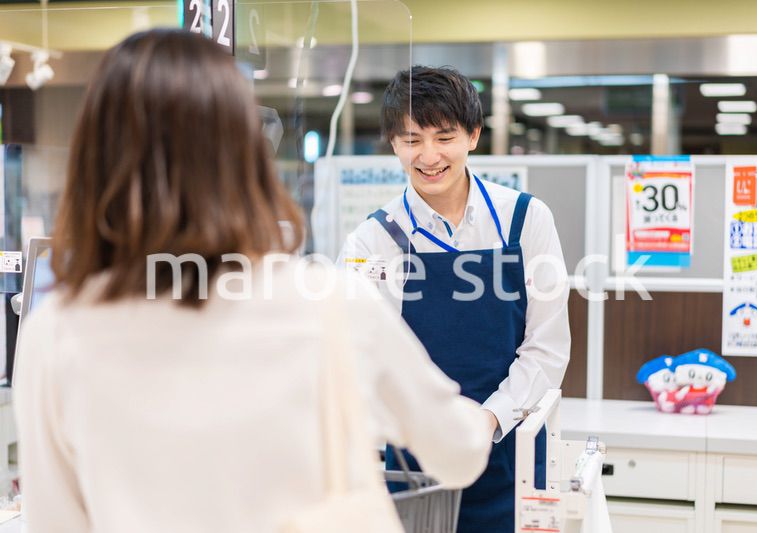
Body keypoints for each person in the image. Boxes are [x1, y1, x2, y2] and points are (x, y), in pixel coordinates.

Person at [13, 30, 491, 533]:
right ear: (245, 151)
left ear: (94, 157)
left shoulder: (56, 332)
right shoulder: (331, 305)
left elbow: (55, 521)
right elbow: (459, 452)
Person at [340, 66, 571, 533]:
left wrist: (487, 420)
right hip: (416, 470)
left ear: (473, 135)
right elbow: (355, 359)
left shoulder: (525, 220)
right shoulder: (372, 241)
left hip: (512, 457)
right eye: (412, 139)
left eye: (444, 137)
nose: (429, 156)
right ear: (393, 144)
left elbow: (547, 349)